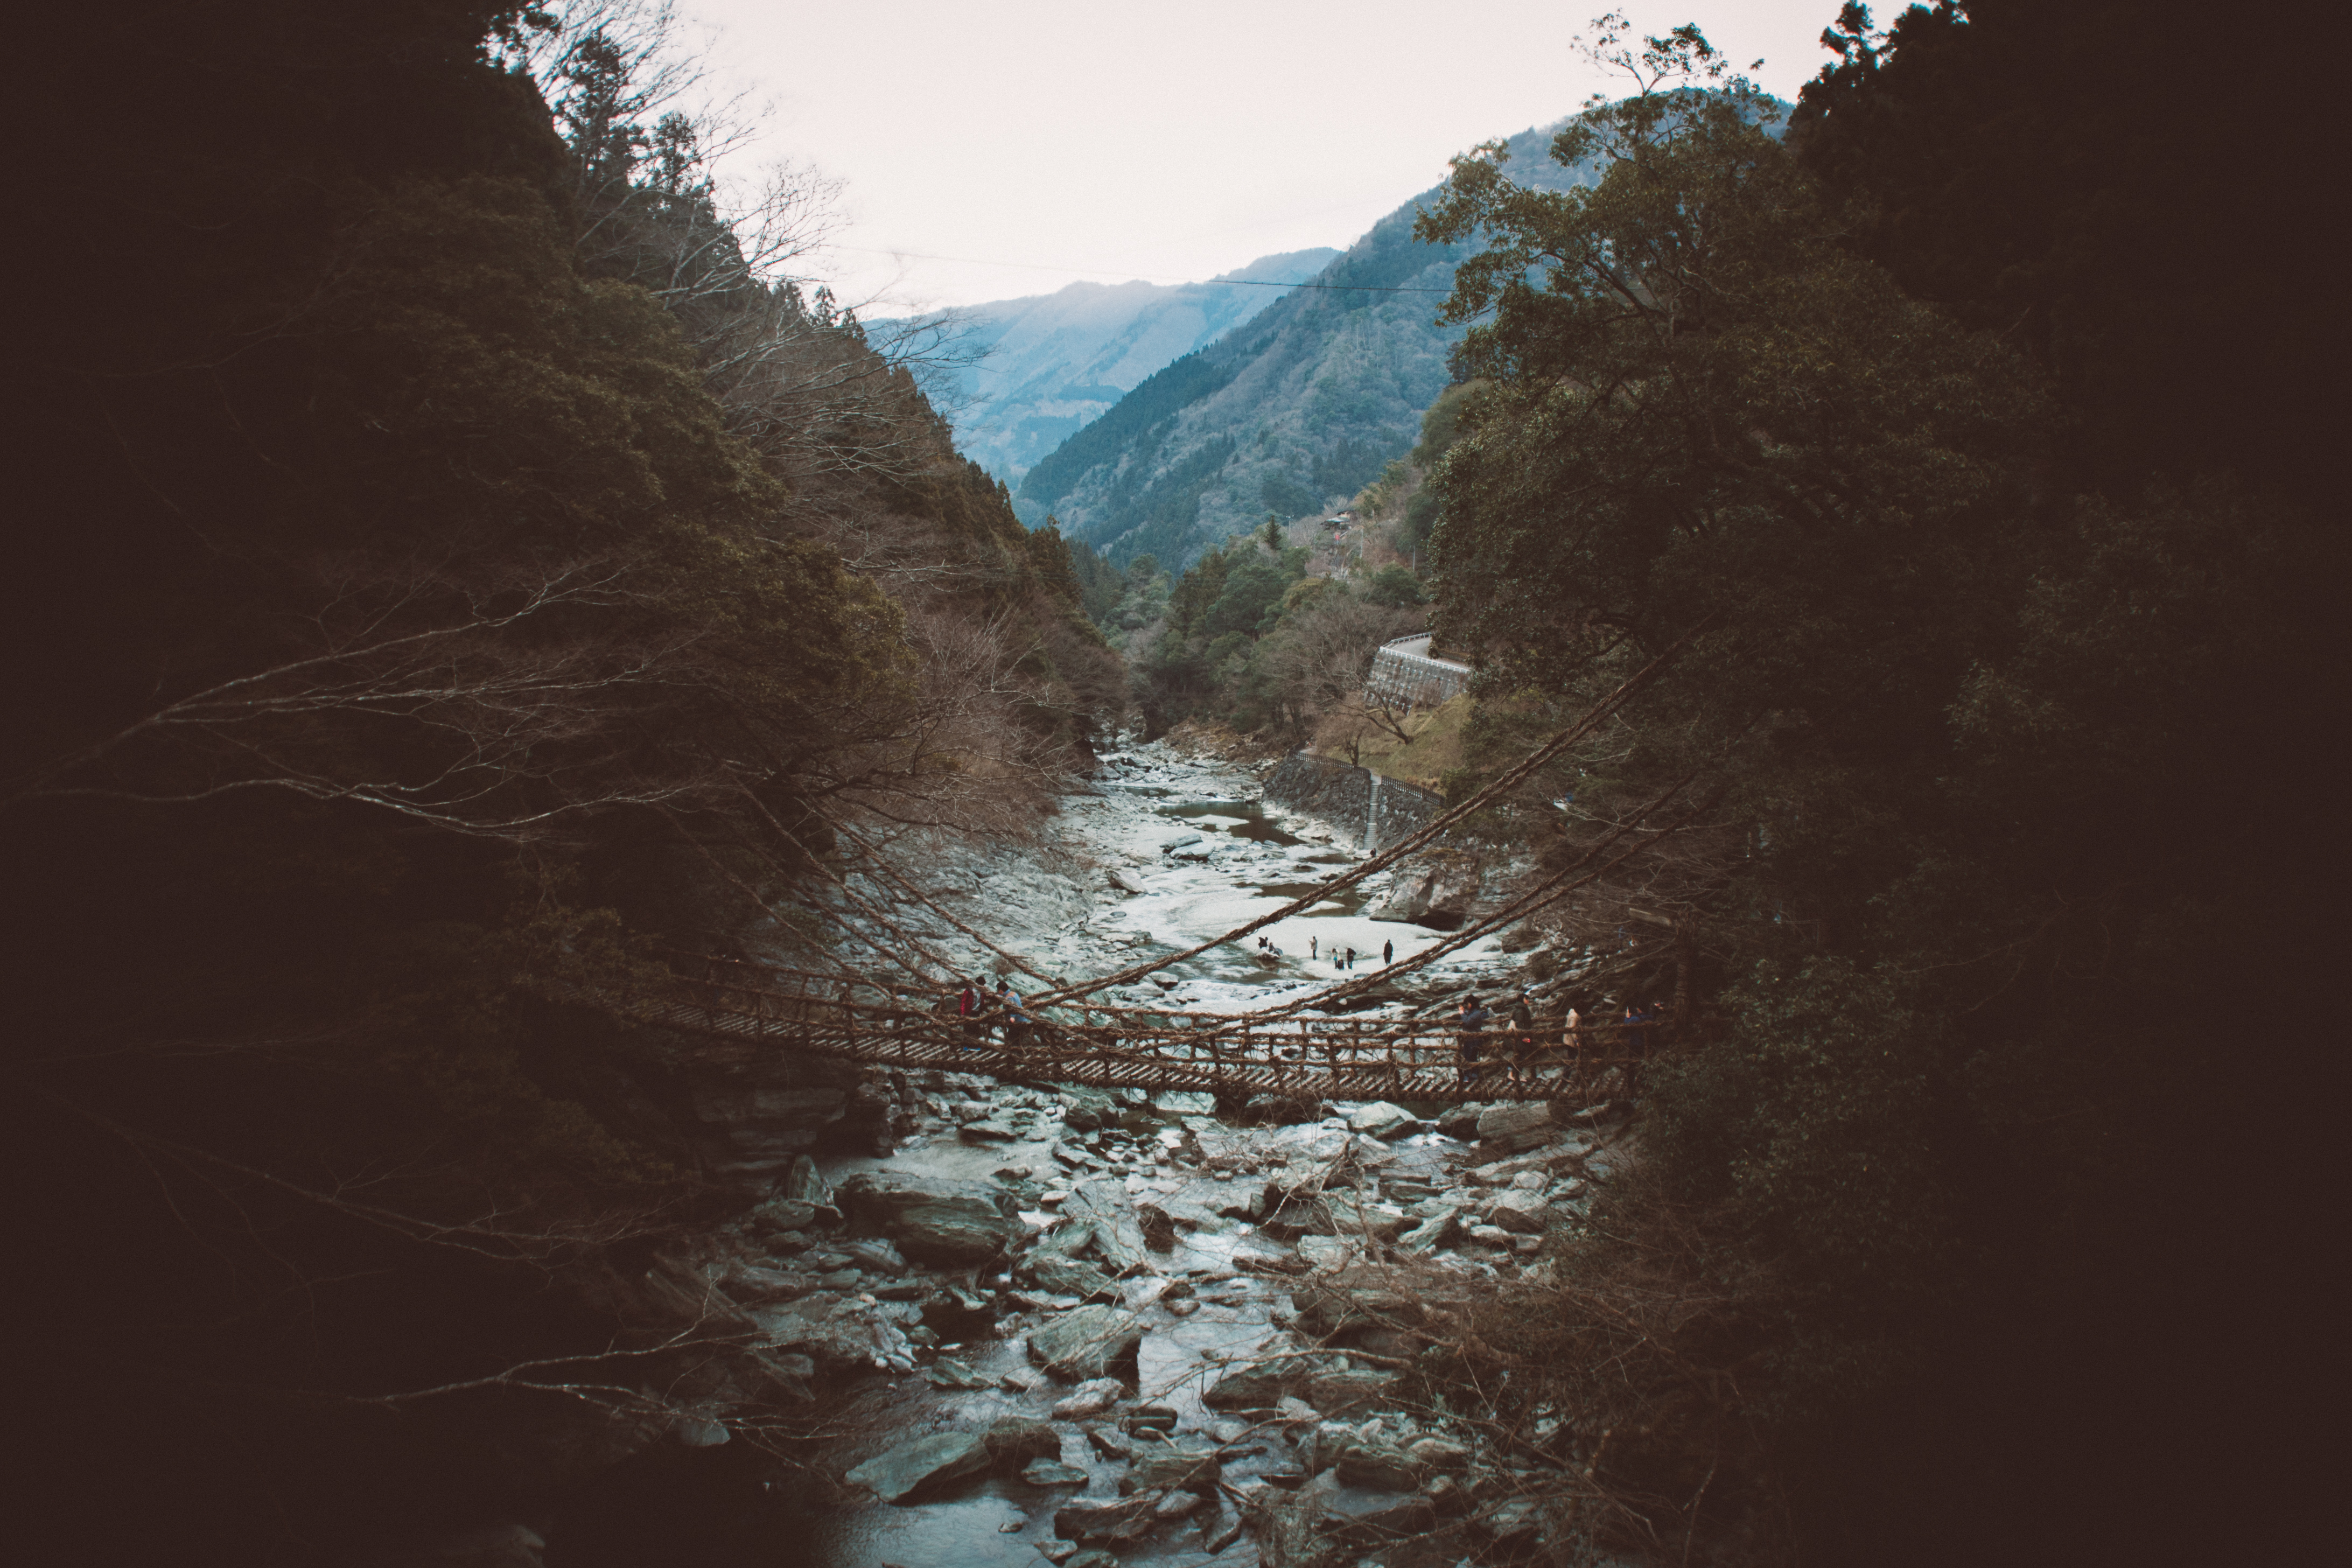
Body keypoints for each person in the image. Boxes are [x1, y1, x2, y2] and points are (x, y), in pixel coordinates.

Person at [1455, 993, 1490, 1087]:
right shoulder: (1474, 1012)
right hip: (1470, 1039)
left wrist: (1462, 1013)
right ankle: (1473, 1075)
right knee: (1470, 1057)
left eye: (1467, 1004)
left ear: (1471, 1004)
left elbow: (1468, 1022)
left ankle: (1469, 1077)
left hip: (1474, 1039)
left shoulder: (1477, 1013)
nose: (1466, 1006)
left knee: (1470, 1057)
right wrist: (1463, 1013)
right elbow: (1468, 1017)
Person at [1506, 987, 1536, 1086]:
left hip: (1519, 1037)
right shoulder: (1521, 1010)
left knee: (1518, 1055)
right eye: (1527, 999)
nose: (1528, 1001)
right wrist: (1524, 1037)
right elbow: (1520, 1025)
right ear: (1523, 1000)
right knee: (1520, 1056)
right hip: (1519, 1037)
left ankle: (1512, 1074)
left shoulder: (1521, 1009)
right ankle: (1515, 1075)